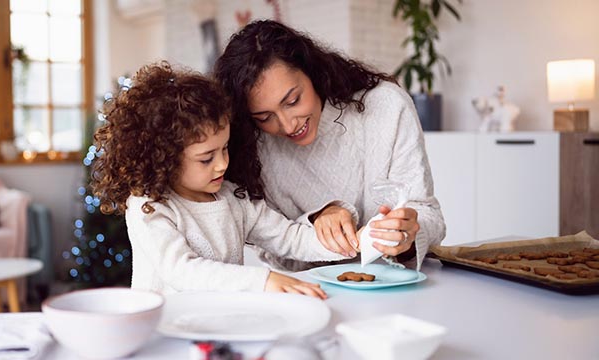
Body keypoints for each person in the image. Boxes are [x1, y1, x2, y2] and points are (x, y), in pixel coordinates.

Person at [91, 61, 353, 299]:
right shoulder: (149, 207)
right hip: (164, 330)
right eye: (206, 158)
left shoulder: (233, 197)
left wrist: (358, 241)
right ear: (165, 159)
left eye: (224, 148)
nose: (222, 164)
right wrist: (264, 280)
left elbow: (290, 238)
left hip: (220, 321)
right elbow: (182, 271)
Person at [214, 20, 445, 271]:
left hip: (399, 283)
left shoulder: (387, 106)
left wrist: (407, 237)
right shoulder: (254, 146)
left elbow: (430, 216)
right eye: (265, 117)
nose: (288, 125)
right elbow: (269, 246)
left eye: (293, 100)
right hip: (314, 292)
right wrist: (316, 222)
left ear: (311, 71)